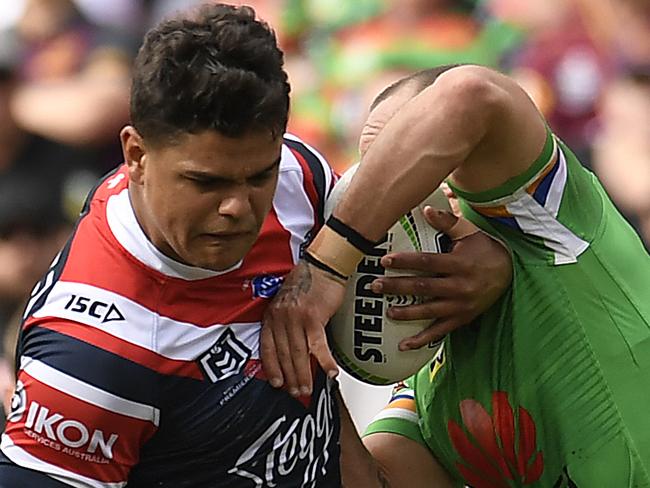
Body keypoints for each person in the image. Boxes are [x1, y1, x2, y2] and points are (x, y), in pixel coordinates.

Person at [0, 5, 513, 487]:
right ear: (135, 154)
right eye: (206, 183)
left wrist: (491, 264)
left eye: (257, 177)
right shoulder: (87, 363)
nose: (239, 209)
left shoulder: (296, 179)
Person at [261, 63, 650, 486]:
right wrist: (305, 356)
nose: (388, 208)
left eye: (408, 169)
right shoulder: (417, 363)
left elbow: (471, 94)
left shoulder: (551, 222)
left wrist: (324, 267)